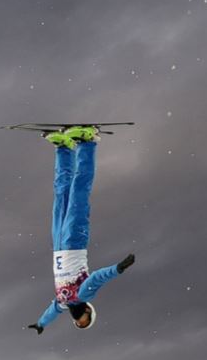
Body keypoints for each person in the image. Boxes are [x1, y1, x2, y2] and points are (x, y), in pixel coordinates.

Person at [28, 126, 135, 334]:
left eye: (79, 324)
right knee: (78, 192)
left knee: (61, 194)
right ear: (89, 311)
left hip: (58, 245)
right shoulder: (83, 296)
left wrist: (41, 324)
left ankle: (64, 148)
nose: (79, 320)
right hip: (75, 242)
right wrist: (118, 268)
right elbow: (96, 279)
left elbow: (51, 312)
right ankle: (87, 143)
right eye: (85, 320)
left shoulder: (63, 302)